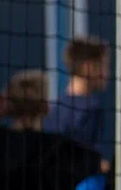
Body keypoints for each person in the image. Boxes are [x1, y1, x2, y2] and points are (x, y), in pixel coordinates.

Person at [44, 37, 111, 166]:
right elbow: (89, 162)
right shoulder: (91, 109)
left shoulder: (55, 108)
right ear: (88, 67)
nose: (107, 73)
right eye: (104, 66)